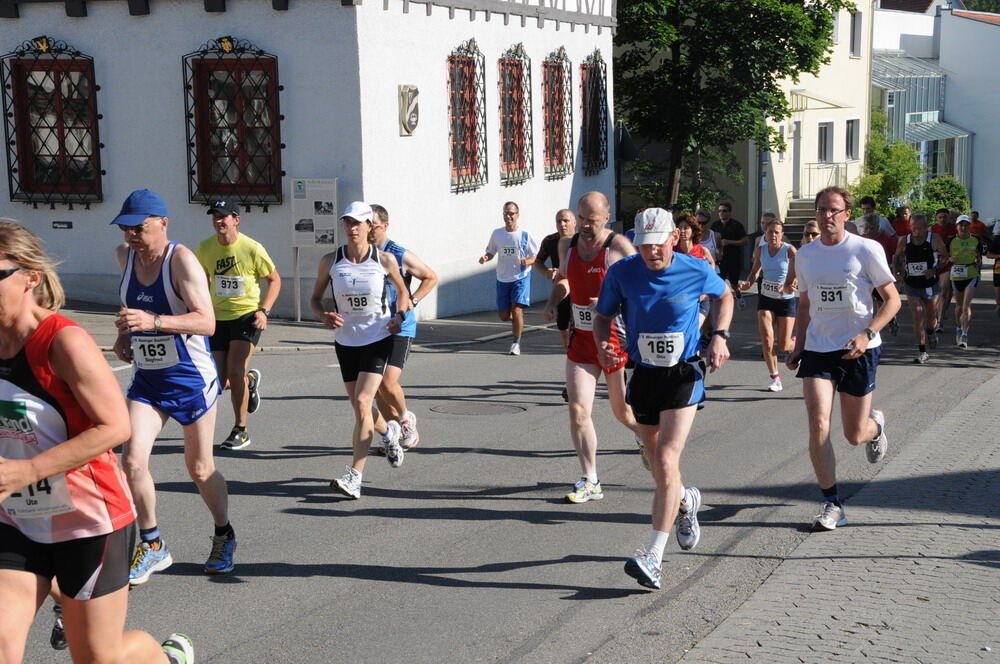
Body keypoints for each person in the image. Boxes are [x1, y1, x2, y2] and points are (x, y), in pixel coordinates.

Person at [0, 221, 194, 664]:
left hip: (87, 521)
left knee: (98, 659)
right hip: (14, 518)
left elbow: (115, 427)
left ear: (30, 276)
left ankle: (165, 658)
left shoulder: (62, 341)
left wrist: (28, 470)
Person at [595, 208, 734, 590]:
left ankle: (653, 557)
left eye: (658, 244)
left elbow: (726, 296)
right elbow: (601, 318)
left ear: (673, 238)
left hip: (684, 371)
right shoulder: (623, 272)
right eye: (644, 245)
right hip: (643, 374)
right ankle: (686, 501)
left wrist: (719, 335)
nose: (651, 252)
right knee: (659, 463)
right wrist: (605, 345)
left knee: (668, 457)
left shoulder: (694, 268)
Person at [111, 190, 235, 584]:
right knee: (131, 461)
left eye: (139, 227)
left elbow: (207, 322)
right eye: (126, 227)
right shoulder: (124, 256)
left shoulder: (180, 261)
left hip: (191, 379)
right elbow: (131, 311)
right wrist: (125, 336)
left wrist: (154, 322)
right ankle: (152, 544)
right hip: (149, 379)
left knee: (199, 469)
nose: (131, 234)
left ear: (163, 223)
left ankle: (223, 532)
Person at [786, 186, 899, 533]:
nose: (826, 216)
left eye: (834, 210)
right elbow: (805, 304)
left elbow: (892, 300)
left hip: (859, 348)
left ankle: (875, 426)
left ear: (847, 214)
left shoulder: (865, 249)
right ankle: (832, 503)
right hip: (820, 349)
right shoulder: (806, 255)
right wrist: (798, 343)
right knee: (818, 422)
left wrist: (867, 334)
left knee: (853, 434)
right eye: (821, 210)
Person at [542, 192, 641, 503]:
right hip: (581, 340)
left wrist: (612, 303)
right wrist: (552, 301)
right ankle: (590, 479)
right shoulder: (566, 245)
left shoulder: (619, 247)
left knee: (622, 412)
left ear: (606, 218)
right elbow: (566, 280)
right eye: (581, 218)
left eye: (592, 221)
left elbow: (640, 290)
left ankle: (644, 435)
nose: (584, 225)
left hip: (612, 340)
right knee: (578, 408)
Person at [310, 202, 412, 499]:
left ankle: (355, 477)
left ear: (370, 227)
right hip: (346, 341)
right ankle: (389, 432)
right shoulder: (331, 261)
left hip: (378, 337)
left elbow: (403, 292)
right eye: (348, 222)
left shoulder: (385, 260)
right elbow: (315, 299)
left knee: (365, 401)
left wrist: (400, 316)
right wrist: (323, 315)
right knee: (359, 405)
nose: (352, 228)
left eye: (358, 223)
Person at [195, 200, 281, 451]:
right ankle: (249, 381)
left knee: (235, 371)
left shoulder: (252, 248)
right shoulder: (204, 248)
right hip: (218, 318)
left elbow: (274, 280)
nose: (219, 221)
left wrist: (264, 310)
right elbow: (200, 280)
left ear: (236, 220)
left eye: (224, 216)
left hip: (246, 316)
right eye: (215, 217)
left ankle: (240, 430)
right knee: (220, 380)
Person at [369, 204, 438, 449]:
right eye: (366, 224)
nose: (368, 230)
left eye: (373, 225)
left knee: (387, 382)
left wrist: (413, 300)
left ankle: (406, 418)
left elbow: (431, 276)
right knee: (375, 388)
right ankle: (395, 433)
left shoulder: (399, 254)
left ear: (385, 226)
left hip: (401, 326)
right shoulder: (362, 254)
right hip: (375, 326)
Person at [739, 220, 797, 391]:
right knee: (767, 339)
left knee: (784, 345)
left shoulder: (789, 251)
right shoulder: (761, 249)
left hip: (785, 300)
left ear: (782, 234)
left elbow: (797, 274)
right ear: (765, 233)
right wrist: (748, 283)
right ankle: (775, 378)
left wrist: (790, 284)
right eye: (770, 232)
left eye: (776, 232)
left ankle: (798, 343)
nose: (773, 235)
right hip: (766, 298)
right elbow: (754, 272)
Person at [479, 202, 538, 356]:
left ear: (517, 215)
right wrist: (486, 257)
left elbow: (535, 256)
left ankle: (515, 343)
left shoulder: (525, 234)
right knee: (504, 315)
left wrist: (527, 261)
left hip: (521, 276)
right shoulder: (497, 234)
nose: (509, 216)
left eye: (512, 213)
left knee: (517, 309)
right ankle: (515, 319)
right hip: (502, 278)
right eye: (506, 213)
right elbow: (491, 251)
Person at [893, 214, 945, 363]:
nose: (917, 231)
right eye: (914, 227)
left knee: (930, 316)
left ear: (926, 227)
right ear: (910, 226)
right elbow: (896, 257)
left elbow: (945, 257)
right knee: (917, 315)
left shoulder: (934, 239)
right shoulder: (904, 240)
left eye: (920, 228)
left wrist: (934, 270)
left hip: (930, 284)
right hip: (911, 284)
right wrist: (897, 274)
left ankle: (930, 331)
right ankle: (922, 351)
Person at [535, 209, 577, 349]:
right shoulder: (550, 241)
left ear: (574, 222)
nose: (562, 224)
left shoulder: (584, 240)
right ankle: (568, 348)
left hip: (581, 285)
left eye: (566, 221)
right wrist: (546, 272)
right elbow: (538, 261)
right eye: (559, 221)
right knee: (562, 320)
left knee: (580, 319)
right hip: (560, 286)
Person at [948, 215, 982, 349]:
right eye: (961, 225)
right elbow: (943, 257)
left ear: (970, 226)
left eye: (966, 224)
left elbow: (980, 255)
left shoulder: (976, 240)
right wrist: (950, 259)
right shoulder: (951, 241)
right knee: (959, 305)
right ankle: (958, 328)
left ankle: (964, 334)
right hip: (956, 275)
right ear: (956, 226)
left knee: (966, 305)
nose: (963, 227)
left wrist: (978, 263)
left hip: (971, 273)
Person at [710, 202, 747, 308]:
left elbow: (745, 241)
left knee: (733, 283)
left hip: (734, 258)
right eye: (719, 211)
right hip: (720, 259)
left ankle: (738, 293)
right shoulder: (715, 225)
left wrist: (729, 242)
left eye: (724, 211)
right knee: (719, 281)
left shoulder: (737, 225)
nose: (721, 213)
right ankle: (722, 302)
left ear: (729, 212)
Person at [931, 208, 958, 332]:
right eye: (940, 217)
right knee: (932, 294)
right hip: (933, 263)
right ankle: (935, 314)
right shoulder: (931, 229)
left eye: (945, 217)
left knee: (944, 291)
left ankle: (940, 321)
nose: (942, 219)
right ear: (936, 218)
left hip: (947, 264)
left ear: (949, 217)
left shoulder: (954, 229)